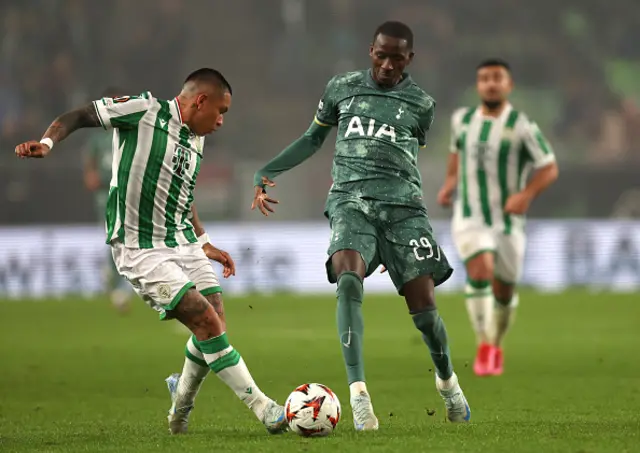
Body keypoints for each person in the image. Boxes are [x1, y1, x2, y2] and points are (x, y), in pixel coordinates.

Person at [15, 68, 288, 435]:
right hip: (139, 247)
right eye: (220, 111)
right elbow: (79, 115)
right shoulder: (143, 111)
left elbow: (184, 196)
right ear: (200, 101)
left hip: (182, 242)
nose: (222, 121)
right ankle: (265, 408)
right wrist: (47, 143)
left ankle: (179, 405)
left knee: (216, 320)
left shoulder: (197, 140)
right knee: (205, 321)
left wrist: (204, 242)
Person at [252, 21, 471, 430]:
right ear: (371, 50)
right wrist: (268, 168)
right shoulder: (342, 88)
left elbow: (406, 157)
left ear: (410, 59)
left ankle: (448, 385)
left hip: (404, 211)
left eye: (396, 57)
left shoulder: (422, 104)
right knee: (348, 278)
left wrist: (391, 244)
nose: (387, 64)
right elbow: (312, 139)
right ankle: (360, 399)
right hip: (350, 201)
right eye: (381, 54)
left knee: (424, 313)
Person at [437, 59, 559, 376]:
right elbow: (455, 156)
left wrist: (525, 195)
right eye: (484, 78)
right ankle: (483, 345)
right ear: (478, 86)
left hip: (507, 223)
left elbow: (549, 167)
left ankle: (496, 342)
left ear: (509, 85)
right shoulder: (462, 120)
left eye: (497, 78)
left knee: (504, 292)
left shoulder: (521, 125)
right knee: (481, 269)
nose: (491, 83)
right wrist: (450, 184)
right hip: (470, 216)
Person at [83, 87, 132, 312]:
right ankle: (117, 285)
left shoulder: (130, 130)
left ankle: (114, 276)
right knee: (116, 236)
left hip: (126, 192)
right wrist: (91, 176)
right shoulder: (97, 135)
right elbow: (90, 165)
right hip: (105, 193)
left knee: (123, 237)